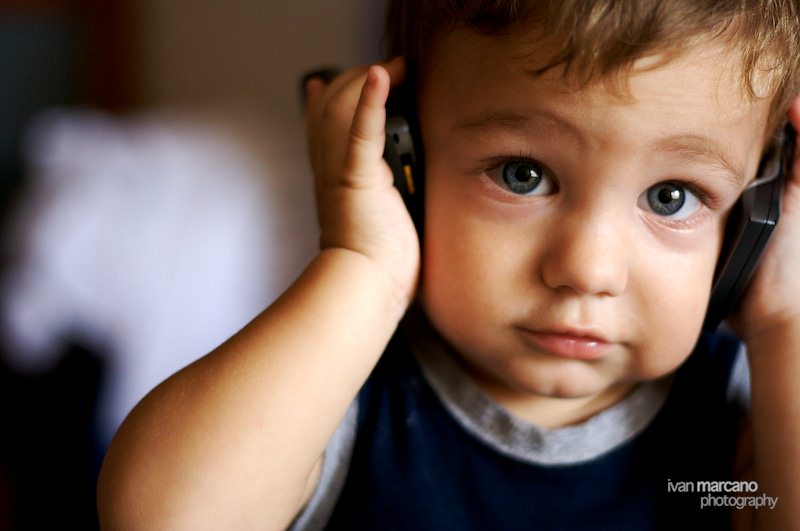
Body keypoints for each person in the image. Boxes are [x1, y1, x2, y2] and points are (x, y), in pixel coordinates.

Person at [97, 1, 800, 529]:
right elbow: (161, 514)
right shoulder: (342, 391)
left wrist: (785, 324)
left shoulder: (738, 426)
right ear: (404, 161)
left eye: (671, 196)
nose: (587, 269)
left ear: (752, 217)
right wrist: (364, 263)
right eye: (522, 174)